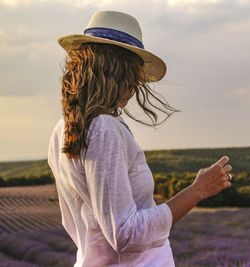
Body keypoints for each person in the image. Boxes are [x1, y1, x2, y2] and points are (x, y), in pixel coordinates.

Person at [47, 10, 233, 267]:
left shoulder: (64, 129)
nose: (136, 86)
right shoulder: (104, 129)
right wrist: (197, 190)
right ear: (115, 71)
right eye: (133, 74)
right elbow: (125, 234)